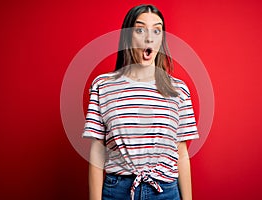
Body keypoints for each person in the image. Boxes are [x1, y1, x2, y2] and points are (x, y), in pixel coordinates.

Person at [83, 4, 199, 200]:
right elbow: (97, 151)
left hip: (165, 192)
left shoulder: (178, 90)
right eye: (140, 29)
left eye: (156, 30)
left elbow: (182, 153)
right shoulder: (103, 85)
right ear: (128, 36)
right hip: (118, 190)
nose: (149, 38)